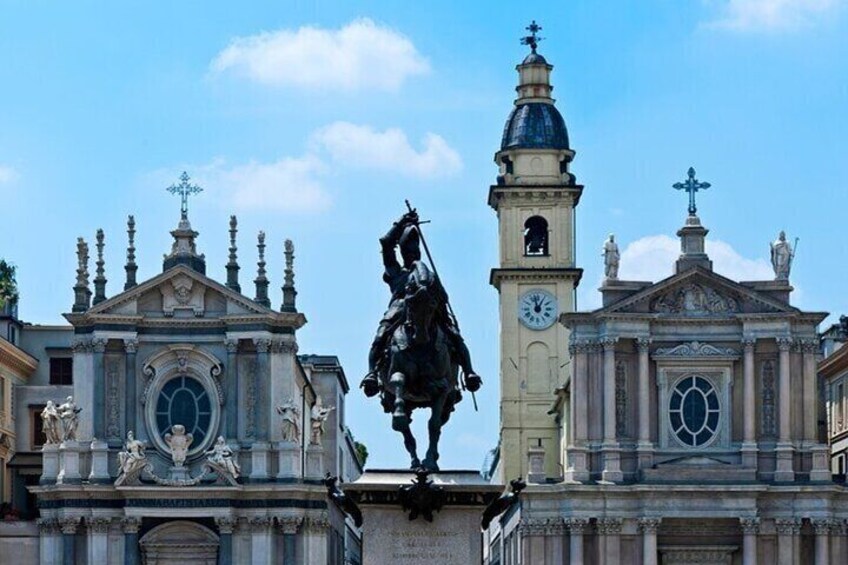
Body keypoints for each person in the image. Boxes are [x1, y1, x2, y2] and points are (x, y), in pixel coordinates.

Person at [360, 211, 482, 396]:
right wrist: (401, 222)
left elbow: (443, 296)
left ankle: (468, 372)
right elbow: (386, 243)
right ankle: (372, 373)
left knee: (454, 336)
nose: (413, 251)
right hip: (400, 308)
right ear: (402, 251)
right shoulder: (396, 272)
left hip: (430, 308)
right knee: (380, 336)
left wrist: (438, 298)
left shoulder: (429, 275)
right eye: (409, 248)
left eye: (415, 248)